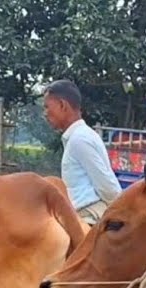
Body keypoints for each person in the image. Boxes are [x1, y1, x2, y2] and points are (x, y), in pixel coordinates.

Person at [44, 79, 121, 225]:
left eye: (47, 107)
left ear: (62, 105)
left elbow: (107, 187)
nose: (46, 113)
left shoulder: (80, 139)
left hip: (88, 216)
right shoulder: (77, 137)